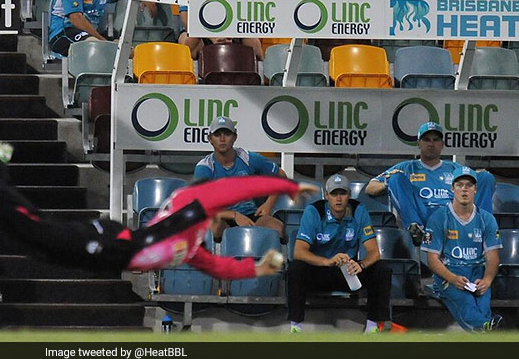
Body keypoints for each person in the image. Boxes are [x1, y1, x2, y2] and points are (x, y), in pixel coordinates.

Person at [0, 136, 319, 279]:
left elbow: (219, 267)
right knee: (32, 229)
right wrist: (284, 184)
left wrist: (257, 267)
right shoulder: (192, 202)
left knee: (33, 240)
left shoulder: (194, 242)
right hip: (115, 243)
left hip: (110, 257)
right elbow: (239, 187)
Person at [287, 174, 392, 334]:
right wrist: (327, 261)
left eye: (342, 193)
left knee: (381, 269)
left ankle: (372, 328)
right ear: (326, 195)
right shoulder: (314, 211)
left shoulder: (359, 210)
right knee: (295, 268)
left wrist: (360, 264)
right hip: (320, 271)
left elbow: (374, 252)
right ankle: (295, 327)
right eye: (334, 194)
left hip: (348, 272)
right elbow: (299, 252)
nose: (338, 199)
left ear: (349, 195)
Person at [365, 121, 496, 245]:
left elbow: (478, 185)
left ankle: (482, 230)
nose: (431, 144)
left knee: (485, 177)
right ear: (418, 144)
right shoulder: (406, 167)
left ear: (442, 144)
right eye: (426, 140)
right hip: (422, 220)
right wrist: (390, 184)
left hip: (453, 220)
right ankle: (415, 229)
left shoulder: (455, 168)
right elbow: (370, 187)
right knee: (395, 178)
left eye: (436, 140)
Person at [421, 166, 503, 332]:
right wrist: (452, 278)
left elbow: (493, 258)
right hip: (449, 272)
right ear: (452, 188)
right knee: (465, 302)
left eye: (469, 185)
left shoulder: (486, 219)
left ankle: (484, 330)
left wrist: (486, 280)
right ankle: (485, 326)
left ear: (475, 189)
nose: (464, 189)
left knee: (483, 302)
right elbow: (432, 259)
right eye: (459, 185)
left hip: (477, 271)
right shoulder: (439, 218)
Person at [193, 116, 286, 239]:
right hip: (223, 217)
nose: (222, 139)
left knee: (276, 228)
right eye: (217, 135)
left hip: (251, 214)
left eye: (227, 134)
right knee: (212, 228)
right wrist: (234, 215)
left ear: (235, 136)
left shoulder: (248, 158)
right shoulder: (205, 167)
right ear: (210, 139)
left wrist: (268, 204)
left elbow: (281, 175)